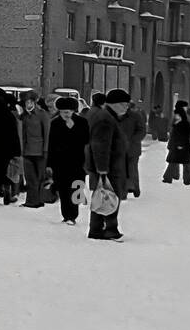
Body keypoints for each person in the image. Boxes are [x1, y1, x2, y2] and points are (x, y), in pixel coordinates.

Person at [85, 87, 133, 240]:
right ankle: (110, 228)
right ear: (114, 104)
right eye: (124, 104)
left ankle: (97, 228)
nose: (127, 107)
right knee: (110, 196)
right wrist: (102, 168)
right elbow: (100, 145)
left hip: (110, 165)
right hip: (108, 167)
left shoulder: (108, 117)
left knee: (103, 196)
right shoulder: (106, 119)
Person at [46, 95, 89, 225]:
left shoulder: (82, 122)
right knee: (63, 189)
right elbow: (51, 144)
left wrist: (73, 129)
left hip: (78, 161)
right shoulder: (54, 123)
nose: (67, 114)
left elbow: (86, 140)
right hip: (60, 163)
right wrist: (49, 164)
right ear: (59, 111)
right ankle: (66, 215)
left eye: (69, 111)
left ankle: (74, 214)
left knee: (76, 187)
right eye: (64, 112)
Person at [18, 89, 51, 208]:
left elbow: (47, 133)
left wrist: (46, 150)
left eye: (30, 101)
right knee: (30, 177)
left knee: (39, 177)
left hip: (40, 151)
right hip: (27, 151)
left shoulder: (43, 115)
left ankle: (38, 200)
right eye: (26, 102)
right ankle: (31, 201)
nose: (28, 104)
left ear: (35, 102)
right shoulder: (23, 116)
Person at [163, 100, 190, 185]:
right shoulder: (180, 117)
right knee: (185, 161)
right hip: (181, 141)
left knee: (175, 160)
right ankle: (186, 178)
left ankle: (170, 176)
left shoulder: (178, 116)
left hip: (178, 142)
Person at [126, 99, 147, 197]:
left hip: (131, 148)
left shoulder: (135, 116)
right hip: (131, 148)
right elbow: (142, 131)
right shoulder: (137, 116)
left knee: (130, 169)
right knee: (131, 169)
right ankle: (132, 188)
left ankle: (132, 188)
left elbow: (142, 131)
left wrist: (132, 140)